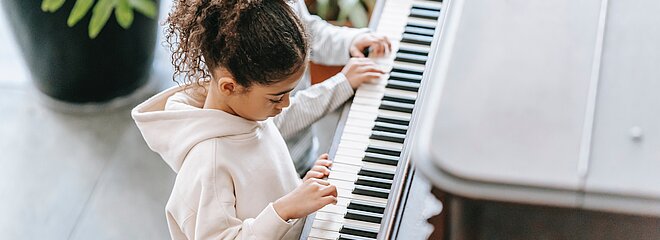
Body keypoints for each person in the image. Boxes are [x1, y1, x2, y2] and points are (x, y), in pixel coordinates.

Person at [131, 0, 383, 239]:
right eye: (277, 98)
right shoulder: (208, 163)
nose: (285, 104)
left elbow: (263, 199)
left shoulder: (251, 113)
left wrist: (298, 189)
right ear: (229, 87)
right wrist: (286, 208)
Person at [284, 1, 392, 176]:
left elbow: (306, 30)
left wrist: (350, 41)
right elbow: (274, 119)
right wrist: (342, 84)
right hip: (280, 173)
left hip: (307, 151)